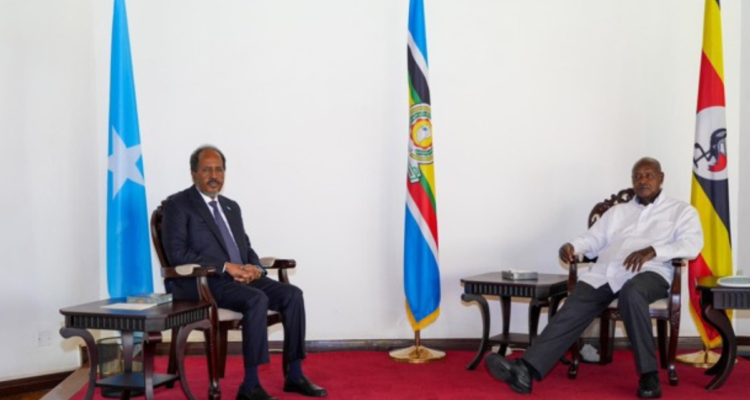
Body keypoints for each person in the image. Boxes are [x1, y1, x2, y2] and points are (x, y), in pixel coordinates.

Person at [485, 157, 703, 399]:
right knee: (575, 304)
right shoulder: (617, 212)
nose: (642, 180)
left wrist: (653, 250)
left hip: (650, 273)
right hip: (607, 273)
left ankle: (649, 375)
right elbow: (592, 240)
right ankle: (526, 369)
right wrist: (573, 246)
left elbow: (692, 245)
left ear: (661, 178)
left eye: (648, 175)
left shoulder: (681, 211)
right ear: (632, 181)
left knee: (633, 293)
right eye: (637, 176)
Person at [161, 145, 327, 400]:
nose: (213, 175)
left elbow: (245, 247)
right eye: (206, 170)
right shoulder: (178, 205)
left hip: (238, 280)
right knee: (255, 299)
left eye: (218, 169)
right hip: (203, 282)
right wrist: (227, 267)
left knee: (293, 295)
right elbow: (177, 254)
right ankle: (250, 385)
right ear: (194, 173)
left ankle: (294, 374)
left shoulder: (231, 207)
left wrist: (254, 268)